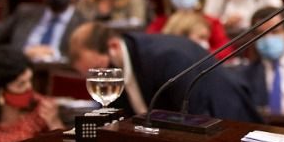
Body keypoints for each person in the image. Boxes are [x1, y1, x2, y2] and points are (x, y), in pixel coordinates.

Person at [68, 22, 260, 123]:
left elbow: (195, 117)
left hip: (228, 122)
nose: (102, 79)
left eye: (101, 70)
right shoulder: (124, 59)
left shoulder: (165, 58)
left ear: (113, 46)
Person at [146, 0, 231, 52]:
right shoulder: (159, 23)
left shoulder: (211, 22)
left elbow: (225, 51)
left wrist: (203, 54)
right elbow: (149, 49)